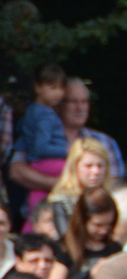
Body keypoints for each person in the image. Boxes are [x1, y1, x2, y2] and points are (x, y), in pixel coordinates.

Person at [12, 63, 69, 204]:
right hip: (46, 161)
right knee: (79, 171)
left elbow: (21, 130)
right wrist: (68, 151)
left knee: (38, 195)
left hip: (34, 162)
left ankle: (33, 213)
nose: (58, 93)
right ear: (38, 87)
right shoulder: (46, 115)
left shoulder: (31, 110)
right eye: (52, 87)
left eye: (61, 88)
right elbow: (40, 147)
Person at [55, 76, 123, 177]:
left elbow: (115, 181)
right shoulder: (44, 139)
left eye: (84, 102)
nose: (80, 108)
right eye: (73, 101)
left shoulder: (104, 142)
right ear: (58, 105)